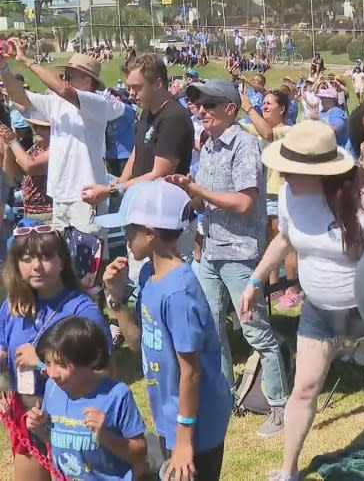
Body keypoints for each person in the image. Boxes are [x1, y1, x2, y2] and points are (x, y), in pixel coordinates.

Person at [239, 121, 364, 481]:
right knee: (303, 389)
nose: (283, 175)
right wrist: (256, 279)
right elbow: (284, 240)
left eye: (292, 170)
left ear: (320, 173)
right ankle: (288, 471)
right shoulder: (289, 196)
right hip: (318, 311)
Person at [167, 79, 289, 438]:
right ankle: (224, 395)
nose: (200, 111)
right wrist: (186, 192)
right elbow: (206, 201)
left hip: (240, 254)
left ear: (230, 109)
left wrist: (199, 191)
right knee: (209, 327)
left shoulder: (245, 145)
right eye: (197, 105)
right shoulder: (208, 147)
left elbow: (245, 202)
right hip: (211, 251)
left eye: (208, 105)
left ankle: (279, 405)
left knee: (255, 331)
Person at [99, 180, 232, 480]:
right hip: (170, 416)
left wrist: (184, 440)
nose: (124, 235)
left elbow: (192, 371)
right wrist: (117, 298)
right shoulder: (149, 275)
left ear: (151, 232)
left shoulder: (179, 294)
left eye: (129, 227)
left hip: (197, 425)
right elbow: (137, 343)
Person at [0, 221, 113, 481]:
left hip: (73, 420)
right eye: (26, 259)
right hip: (27, 416)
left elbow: (105, 374)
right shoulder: (12, 305)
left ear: (63, 260)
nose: (36, 266)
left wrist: (41, 363)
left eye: (46, 256)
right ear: (16, 265)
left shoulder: (82, 310)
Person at [0, 40, 124, 235]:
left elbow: (64, 90)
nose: (63, 79)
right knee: (62, 262)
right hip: (59, 195)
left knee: (92, 258)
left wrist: (26, 60)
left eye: (69, 75)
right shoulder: (56, 103)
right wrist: (4, 68)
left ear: (87, 80)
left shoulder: (97, 103)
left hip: (86, 196)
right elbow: (20, 99)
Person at [26, 317, 148, 480]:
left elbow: (140, 453)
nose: (53, 373)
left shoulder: (116, 395)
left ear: (91, 360)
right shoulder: (52, 388)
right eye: (48, 363)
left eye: (61, 364)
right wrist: (39, 427)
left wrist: (106, 436)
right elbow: (58, 439)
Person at [240, 88, 302, 309]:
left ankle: (293, 289)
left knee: (286, 243)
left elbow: (267, 134)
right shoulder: (258, 128)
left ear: (282, 109)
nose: (264, 107)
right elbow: (240, 127)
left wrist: (248, 106)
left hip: (281, 193)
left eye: (269, 104)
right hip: (263, 194)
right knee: (269, 243)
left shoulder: (288, 131)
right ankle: (274, 287)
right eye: (263, 103)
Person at [1, 120, 51, 223]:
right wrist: (8, 148)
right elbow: (12, 175)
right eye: (35, 126)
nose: (38, 130)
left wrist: (13, 142)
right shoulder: (34, 149)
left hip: (49, 214)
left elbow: (30, 167)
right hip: (29, 213)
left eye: (44, 127)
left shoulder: (56, 150)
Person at [104, 88, 136, 178]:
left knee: (126, 183)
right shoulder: (106, 113)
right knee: (113, 184)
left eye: (113, 97)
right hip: (110, 155)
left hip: (126, 155)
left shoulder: (128, 110)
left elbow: (131, 111)